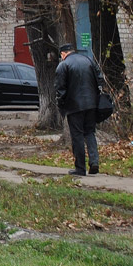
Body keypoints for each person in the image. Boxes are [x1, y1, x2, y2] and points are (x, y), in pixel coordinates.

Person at [54, 43, 107, 176]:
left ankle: (80, 168)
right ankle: (94, 161)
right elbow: (100, 80)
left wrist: (61, 105)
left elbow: (60, 88)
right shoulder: (88, 60)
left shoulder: (63, 65)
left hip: (74, 106)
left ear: (63, 54)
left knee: (77, 136)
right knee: (90, 133)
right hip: (92, 104)